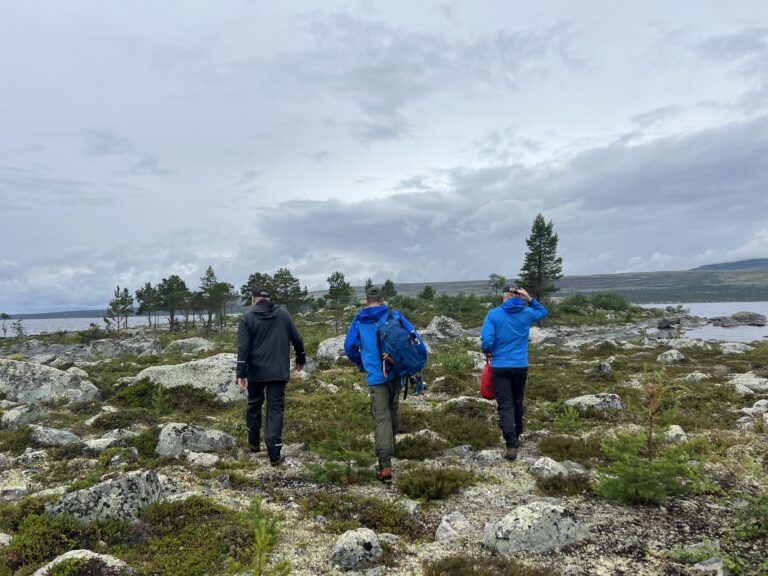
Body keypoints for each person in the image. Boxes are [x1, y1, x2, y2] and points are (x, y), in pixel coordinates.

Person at [344, 285, 427, 484]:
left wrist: (360, 363)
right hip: (395, 370)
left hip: (375, 375)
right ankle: (392, 445)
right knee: (393, 407)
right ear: (381, 300)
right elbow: (416, 339)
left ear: (366, 301)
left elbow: (349, 347)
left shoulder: (359, 320)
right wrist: (417, 360)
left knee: (381, 417)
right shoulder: (393, 314)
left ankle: (385, 464)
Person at [237, 285, 305, 466]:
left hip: (256, 372)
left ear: (253, 299)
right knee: (275, 409)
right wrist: (301, 358)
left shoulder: (247, 318)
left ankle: (253, 442)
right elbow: (297, 339)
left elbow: (243, 348)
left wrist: (241, 372)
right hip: (278, 371)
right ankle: (274, 453)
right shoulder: (283, 314)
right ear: (269, 299)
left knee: (254, 404)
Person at [481, 284, 547, 461]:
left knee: (505, 405)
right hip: (520, 365)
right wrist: (530, 299)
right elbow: (543, 312)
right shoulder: (527, 313)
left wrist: (487, 350)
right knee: (518, 401)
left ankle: (510, 444)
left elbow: (487, 341)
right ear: (519, 296)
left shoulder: (493, 314)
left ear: (504, 297)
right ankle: (517, 434)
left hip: (500, 366)